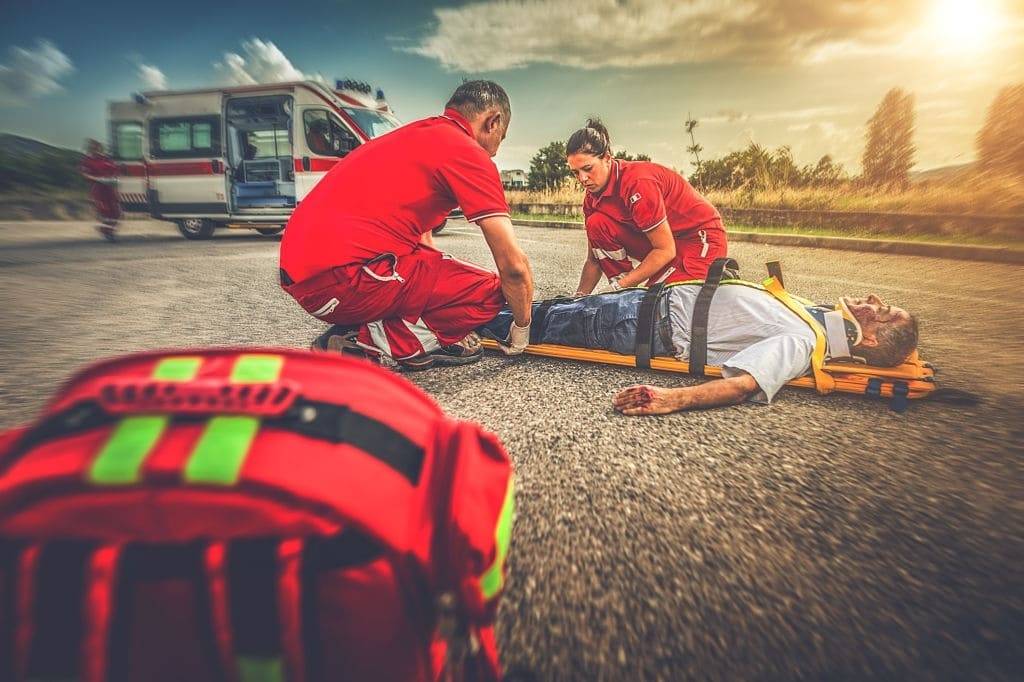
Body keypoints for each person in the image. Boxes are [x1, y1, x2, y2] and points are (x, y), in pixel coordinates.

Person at [280, 81, 533, 370]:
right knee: (489, 292)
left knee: (438, 269)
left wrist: (430, 292)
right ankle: (375, 340)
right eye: (501, 138)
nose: (496, 152)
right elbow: (513, 267)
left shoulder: (414, 135)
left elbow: (421, 242)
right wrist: (521, 329)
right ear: (493, 121)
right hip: (340, 283)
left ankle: (356, 330)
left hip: (304, 275)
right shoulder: (469, 152)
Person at [480, 287, 918, 415]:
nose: (874, 302)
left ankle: (451, 318)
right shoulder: (816, 318)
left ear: (872, 339)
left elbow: (745, 384)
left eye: (883, 311)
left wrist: (673, 399)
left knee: (534, 323)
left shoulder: (804, 342)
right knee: (542, 310)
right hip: (645, 305)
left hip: (639, 326)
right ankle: (459, 309)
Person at [566, 119, 728, 295]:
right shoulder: (591, 199)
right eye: (576, 172)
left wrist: (617, 287)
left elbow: (665, 249)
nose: (582, 179)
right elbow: (594, 261)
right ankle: (627, 292)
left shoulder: (638, 183)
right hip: (664, 243)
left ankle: (710, 278)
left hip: (699, 239)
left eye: (588, 168)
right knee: (596, 223)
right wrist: (577, 298)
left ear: (607, 158)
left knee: (660, 302)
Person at [80, 139, 121, 241]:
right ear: (90, 148)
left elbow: (115, 169)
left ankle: (107, 230)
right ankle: (108, 233)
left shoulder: (106, 159)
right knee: (105, 211)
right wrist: (97, 179)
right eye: (93, 147)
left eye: (97, 147)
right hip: (98, 188)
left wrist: (113, 177)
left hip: (109, 187)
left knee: (116, 211)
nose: (96, 149)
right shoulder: (87, 161)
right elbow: (85, 174)